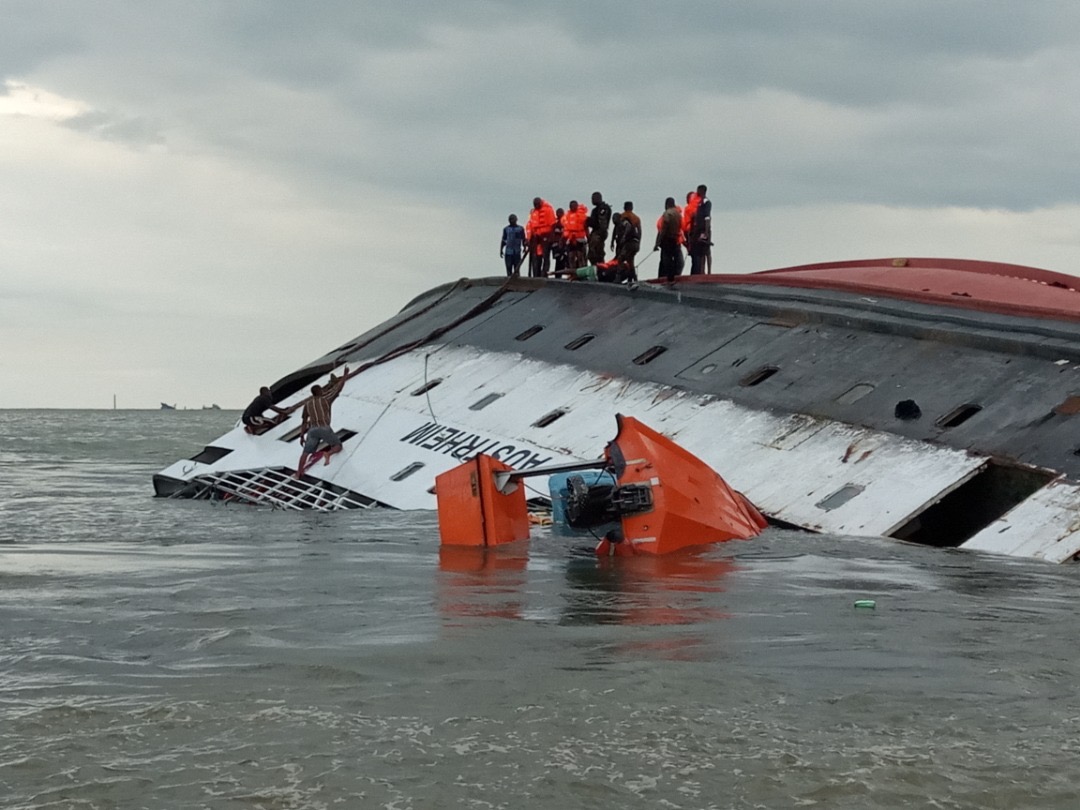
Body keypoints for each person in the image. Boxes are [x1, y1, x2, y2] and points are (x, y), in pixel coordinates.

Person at [295, 368, 349, 478]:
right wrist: (345, 375)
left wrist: (301, 435)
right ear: (320, 391)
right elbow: (338, 389)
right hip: (324, 427)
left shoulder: (307, 404)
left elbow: (304, 421)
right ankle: (328, 453)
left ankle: (298, 472)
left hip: (312, 430)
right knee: (338, 445)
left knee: (305, 453)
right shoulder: (326, 399)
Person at [654, 197, 684, 282]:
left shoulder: (667, 214)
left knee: (666, 260)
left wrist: (658, 242)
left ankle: (667, 277)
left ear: (667, 204)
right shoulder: (678, 214)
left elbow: (663, 229)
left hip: (667, 240)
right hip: (676, 239)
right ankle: (675, 275)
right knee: (677, 259)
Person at [525, 197, 557, 278]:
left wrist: (551, 237)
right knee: (536, 256)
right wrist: (529, 238)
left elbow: (553, 224)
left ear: (540, 203)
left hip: (546, 236)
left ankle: (544, 274)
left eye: (537, 204)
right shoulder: (533, 212)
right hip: (536, 237)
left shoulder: (548, 210)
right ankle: (536, 274)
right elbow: (530, 225)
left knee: (545, 256)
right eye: (534, 205)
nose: (535, 206)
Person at [611, 201, 641, 279]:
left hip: (629, 243)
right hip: (635, 242)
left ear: (624, 207)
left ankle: (618, 277)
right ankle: (633, 278)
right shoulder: (636, 218)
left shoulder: (622, 218)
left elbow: (626, 226)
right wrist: (639, 243)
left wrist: (623, 237)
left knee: (620, 258)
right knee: (630, 261)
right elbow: (640, 231)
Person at [688, 183, 712, 275]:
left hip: (704, 229)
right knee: (701, 251)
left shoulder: (706, 202)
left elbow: (707, 217)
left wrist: (706, 232)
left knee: (707, 250)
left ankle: (709, 271)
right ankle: (702, 271)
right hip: (698, 230)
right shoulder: (699, 203)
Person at [585, 191, 612, 265]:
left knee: (595, 254)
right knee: (595, 254)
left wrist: (588, 221)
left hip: (599, 233)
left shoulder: (602, 209)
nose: (592, 200)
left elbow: (601, 224)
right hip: (597, 233)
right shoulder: (596, 209)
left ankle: (600, 270)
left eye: (593, 198)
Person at [562, 200, 589, 270]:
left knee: (580, 256)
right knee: (571, 256)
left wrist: (588, 238)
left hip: (580, 238)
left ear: (577, 206)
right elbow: (565, 228)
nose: (572, 207)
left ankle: (582, 272)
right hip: (570, 238)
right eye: (571, 206)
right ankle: (572, 272)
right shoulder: (567, 216)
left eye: (574, 206)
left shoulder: (582, 216)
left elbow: (586, 228)